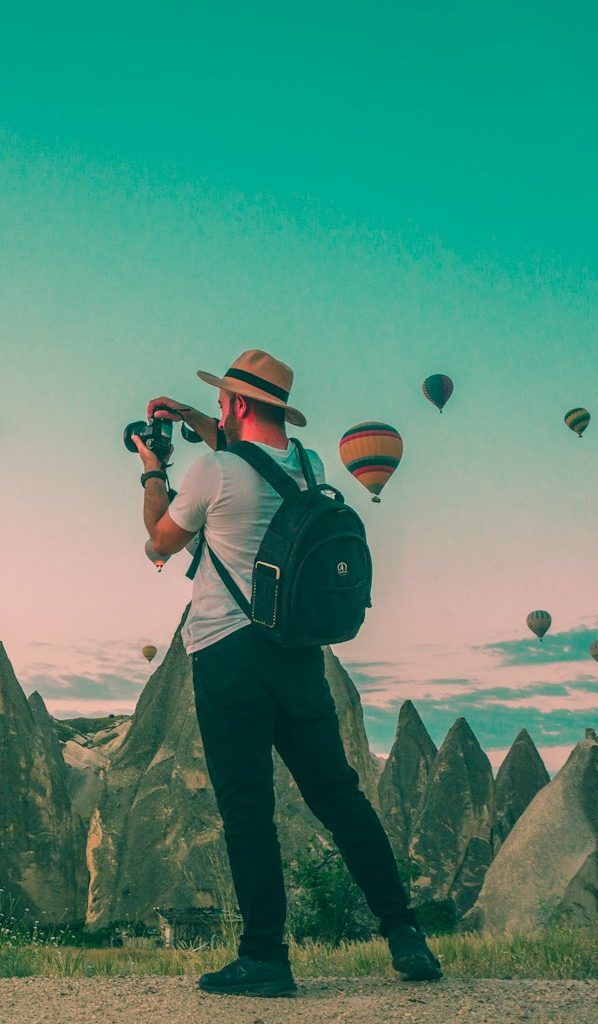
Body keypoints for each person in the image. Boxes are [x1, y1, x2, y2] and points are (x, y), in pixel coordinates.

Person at [134, 349, 442, 997]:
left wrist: (152, 472)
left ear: (239, 405)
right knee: (340, 797)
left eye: (222, 401)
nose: (217, 411)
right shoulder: (309, 468)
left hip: (227, 658)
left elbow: (160, 542)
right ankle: (404, 932)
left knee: (248, 810)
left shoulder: (209, 472)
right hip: (301, 656)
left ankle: (266, 958)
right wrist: (191, 413)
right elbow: (251, 455)